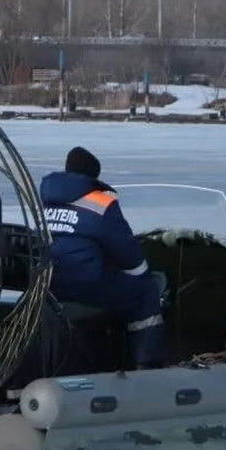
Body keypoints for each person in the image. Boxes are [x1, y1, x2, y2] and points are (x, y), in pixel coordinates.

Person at [39, 147, 166, 370]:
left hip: (50, 280)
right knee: (145, 292)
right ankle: (147, 364)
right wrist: (144, 276)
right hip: (85, 283)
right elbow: (128, 253)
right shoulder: (100, 203)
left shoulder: (47, 198)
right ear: (93, 176)